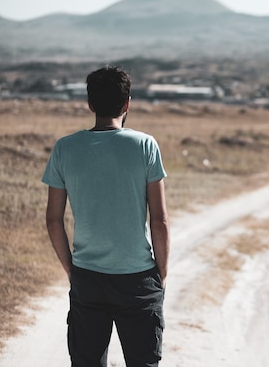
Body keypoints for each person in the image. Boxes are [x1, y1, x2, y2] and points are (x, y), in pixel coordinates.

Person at [42, 66, 170, 367]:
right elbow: (160, 220)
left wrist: (73, 271)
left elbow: (52, 220)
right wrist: (161, 275)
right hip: (138, 280)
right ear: (127, 104)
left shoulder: (64, 148)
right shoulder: (145, 145)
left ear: (90, 104)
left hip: (88, 278)